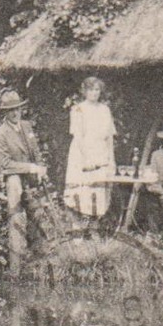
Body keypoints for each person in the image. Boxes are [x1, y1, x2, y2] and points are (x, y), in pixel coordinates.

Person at [0, 89, 48, 276]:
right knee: (17, 220)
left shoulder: (27, 126)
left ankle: (42, 263)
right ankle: (15, 270)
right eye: (10, 110)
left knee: (38, 216)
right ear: (4, 113)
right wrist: (31, 167)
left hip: (31, 180)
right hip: (14, 181)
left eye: (17, 109)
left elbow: (36, 151)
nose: (15, 113)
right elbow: (6, 164)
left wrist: (40, 169)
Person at [63, 76, 117, 221]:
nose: (94, 93)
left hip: (101, 151)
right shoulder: (78, 109)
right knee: (82, 192)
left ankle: (95, 228)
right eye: (91, 89)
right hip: (82, 153)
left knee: (99, 193)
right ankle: (78, 228)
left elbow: (109, 137)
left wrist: (111, 159)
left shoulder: (105, 109)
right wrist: (87, 159)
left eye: (97, 90)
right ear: (84, 91)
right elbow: (78, 136)